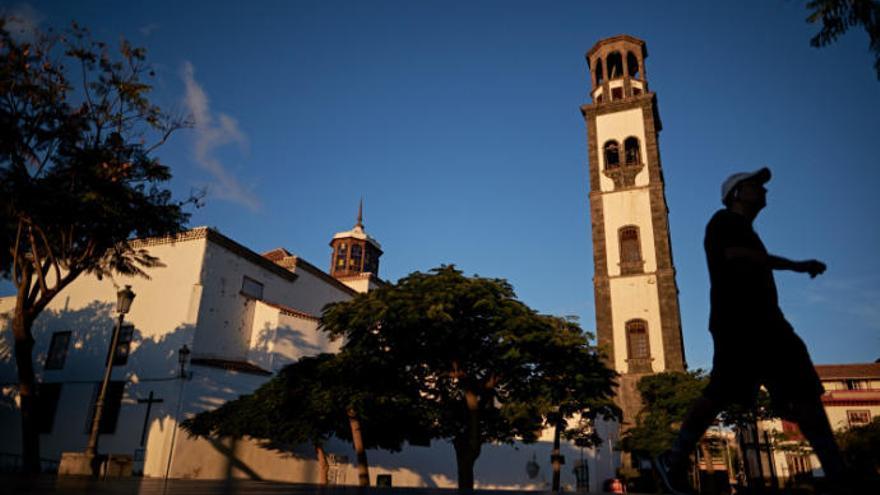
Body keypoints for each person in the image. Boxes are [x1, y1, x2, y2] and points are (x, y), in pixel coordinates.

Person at [654, 168, 847, 494]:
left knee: (803, 392)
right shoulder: (723, 222)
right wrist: (796, 265)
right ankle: (674, 459)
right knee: (719, 394)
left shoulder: (743, 228)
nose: (763, 190)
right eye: (754, 185)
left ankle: (837, 473)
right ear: (736, 194)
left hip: (768, 323)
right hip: (740, 325)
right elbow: (738, 256)